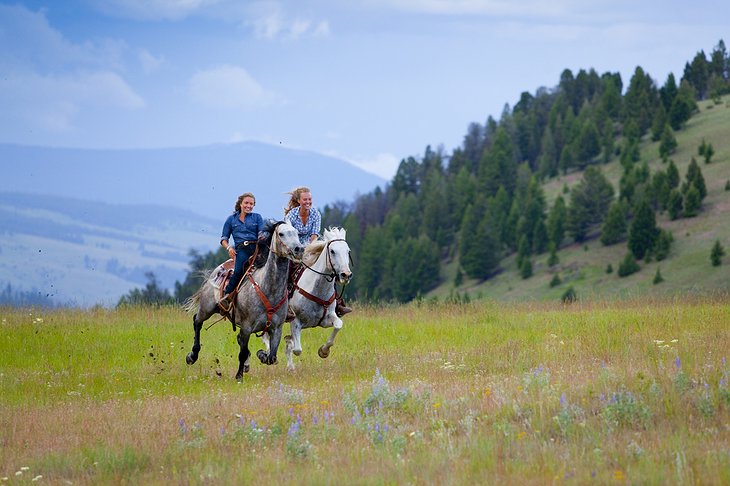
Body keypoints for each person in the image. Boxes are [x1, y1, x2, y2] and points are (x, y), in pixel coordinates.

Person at [284, 186, 351, 316]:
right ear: (298, 201)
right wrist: (298, 251)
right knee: (287, 270)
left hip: (311, 247)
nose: (308, 202)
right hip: (294, 249)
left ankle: (337, 303)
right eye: (305, 199)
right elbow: (291, 236)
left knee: (328, 269)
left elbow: (314, 235)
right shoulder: (291, 215)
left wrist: (308, 252)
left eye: (310, 199)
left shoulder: (315, 213)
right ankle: (285, 304)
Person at [219, 192, 265, 312]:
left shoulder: (257, 217)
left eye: (251, 204)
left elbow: (261, 232)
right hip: (242, 250)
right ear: (240, 203)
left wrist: (261, 237)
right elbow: (224, 239)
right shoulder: (231, 220)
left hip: (257, 248)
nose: (249, 206)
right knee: (239, 271)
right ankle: (227, 296)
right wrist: (229, 248)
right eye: (246, 203)